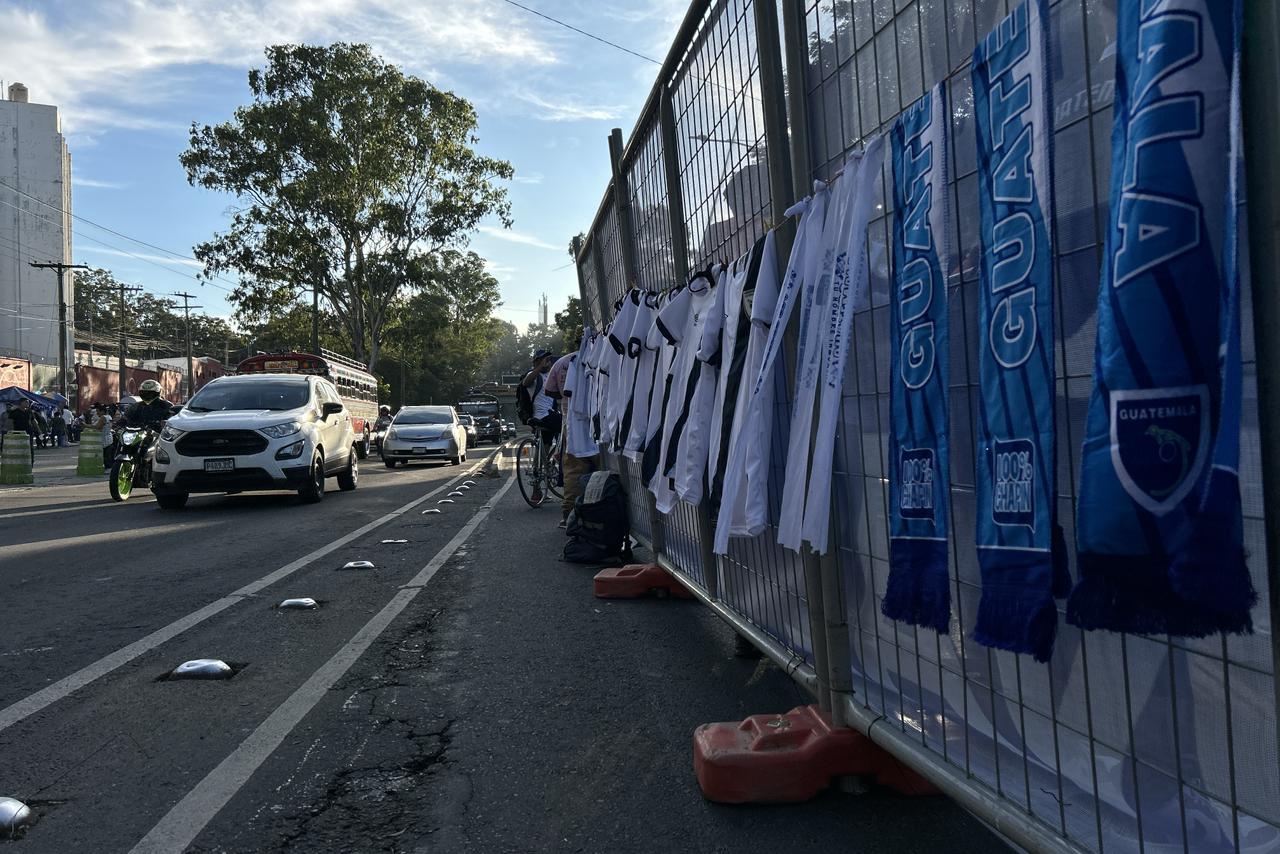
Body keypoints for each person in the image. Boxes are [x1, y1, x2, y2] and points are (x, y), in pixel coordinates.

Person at [544, 350, 596, 528]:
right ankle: (604, 511)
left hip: (571, 422)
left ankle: (569, 514)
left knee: (573, 470)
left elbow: (550, 391)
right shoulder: (600, 353)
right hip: (600, 420)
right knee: (605, 468)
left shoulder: (562, 362)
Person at [520, 349, 559, 504]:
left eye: (548, 359)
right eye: (543, 360)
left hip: (550, 415)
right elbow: (525, 383)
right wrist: (538, 367)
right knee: (566, 424)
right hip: (541, 416)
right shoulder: (533, 375)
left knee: (544, 449)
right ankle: (560, 456)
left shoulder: (550, 375)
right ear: (536, 361)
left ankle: (537, 492)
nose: (547, 362)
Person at [89, 403, 115, 470]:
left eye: (98, 411)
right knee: (108, 454)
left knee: (105, 455)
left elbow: (97, 427)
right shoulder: (109, 416)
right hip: (109, 437)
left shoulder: (103, 417)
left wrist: (85, 425)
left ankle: (107, 468)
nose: (97, 413)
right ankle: (109, 467)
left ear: (102, 411)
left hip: (104, 439)